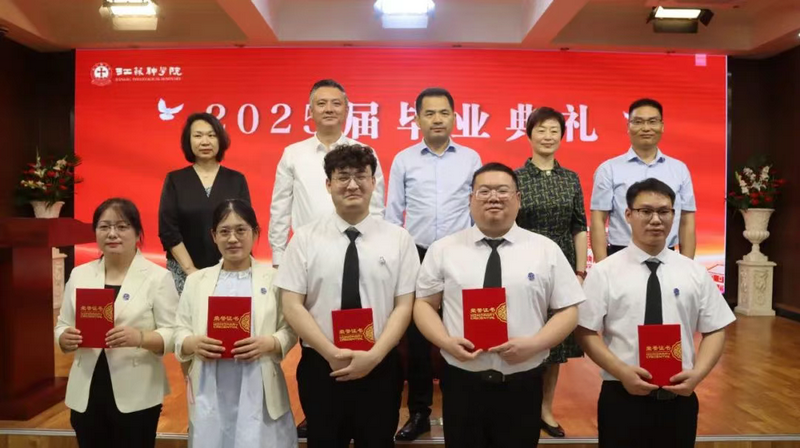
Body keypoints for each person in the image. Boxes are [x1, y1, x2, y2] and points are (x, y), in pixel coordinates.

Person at [414, 163, 585, 448]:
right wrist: (445, 341)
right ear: (470, 200)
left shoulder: (545, 249)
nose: (494, 197)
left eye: (502, 191)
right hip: (462, 381)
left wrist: (536, 344)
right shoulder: (443, 249)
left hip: (523, 380)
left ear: (518, 199)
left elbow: (568, 309)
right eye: (484, 191)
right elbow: (424, 305)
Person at [275, 144, 420, 447]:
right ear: (328, 185)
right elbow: (292, 304)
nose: (352, 185)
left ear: (374, 182)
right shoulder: (304, 239)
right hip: (321, 365)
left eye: (360, 176)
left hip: (380, 365)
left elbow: (404, 306)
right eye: (342, 177)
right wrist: (330, 352)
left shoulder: (399, 240)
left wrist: (375, 356)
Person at [576, 178, 735, 448]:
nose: (655, 219)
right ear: (628, 215)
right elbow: (585, 331)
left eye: (664, 211)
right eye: (645, 211)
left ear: (674, 215)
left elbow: (715, 329)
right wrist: (621, 371)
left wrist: (698, 375)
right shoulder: (605, 272)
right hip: (621, 394)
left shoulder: (694, 272)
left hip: (680, 393)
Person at [386, 87, 482, 441]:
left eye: (444, 113)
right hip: (418, 254)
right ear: (417, 119)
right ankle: (420, 412)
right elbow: (393, 212)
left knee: (461, 330)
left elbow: (476, 209)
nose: (438, 119)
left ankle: (465, 405)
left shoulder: (471, 158)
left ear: (455, 117)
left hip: (461, 254)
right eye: (430, 113)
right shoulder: (404, 159)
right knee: (417, 337)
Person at [55, 198, 179, 448]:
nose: (112, 233)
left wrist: (140, 338)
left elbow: (174, 333)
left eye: (122, 226)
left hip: (137, 391)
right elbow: (62, 324)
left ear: (137, 233)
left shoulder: (158, 277)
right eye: (104, 226)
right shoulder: (80, 274)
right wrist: (63, 337)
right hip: (87, 391)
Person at [174, 199, 298, 448]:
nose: (233, 238)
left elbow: (290, 329)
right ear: (213, 236)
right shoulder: (197, 280)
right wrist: (192, 343)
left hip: (259, 381)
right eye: (224, 231)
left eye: (241, 230)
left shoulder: (275, 279)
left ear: (255, 233)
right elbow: (180, 329)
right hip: (211, 380)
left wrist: (270, 342)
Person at [514, 106, 588, 438]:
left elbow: (579, 226)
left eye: (554, 130)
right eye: (541, 130)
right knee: (526, 332)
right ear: (528, 134)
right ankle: (521, 406)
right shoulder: (515, 178)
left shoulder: (570, 178)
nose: (547, 136)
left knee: (555, 342)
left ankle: (545, 408)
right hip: (524, 263)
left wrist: (580, 271)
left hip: (562, 262)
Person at [269, 79, 386, 268]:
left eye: (336, 103)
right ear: (310, 111)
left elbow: (376, 207)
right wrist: (278, 257)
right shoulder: (293, 154)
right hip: (306, 251)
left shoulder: (364, 153)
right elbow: (280, 209)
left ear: (347, 111)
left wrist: (374, 247)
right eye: (321, 103)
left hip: (356, 249)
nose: (329, 109)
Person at [590, 98, 696, 262]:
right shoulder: (608, 169)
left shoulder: (679, 169)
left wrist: (688, 267)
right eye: (638, 122)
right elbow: (598, 220)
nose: (646, 128)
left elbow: (687, 222)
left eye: (652, 122)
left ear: (662, 126)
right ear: (628, 126)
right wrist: (602, 268)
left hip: (667, 256)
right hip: (621, 255)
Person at [159, 112, 251, 294]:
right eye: (198, 136)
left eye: (211, 135)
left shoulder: (236, 179)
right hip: (185, 272)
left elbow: (244, 227)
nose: (205, 141)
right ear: (189, 141)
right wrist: (191, 271)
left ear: (220, 139)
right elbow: (168, 230)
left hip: (231, 270)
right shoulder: (175, 180)